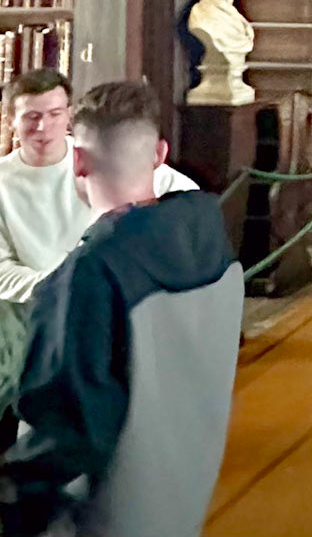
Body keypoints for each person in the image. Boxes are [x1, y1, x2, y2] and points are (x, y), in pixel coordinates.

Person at [0, 79, 242, 537]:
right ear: (159, 154)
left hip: (103, 513)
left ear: (77, 159)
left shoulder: (90, 275)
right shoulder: (210, 236)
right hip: (185, 489)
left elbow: (66, 435)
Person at [0, 69, 196, 408]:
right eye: (31, 117)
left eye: (54, 114)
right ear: (10, 121)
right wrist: (65, 289)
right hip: (35, 309)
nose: (43, 127)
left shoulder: (99, 153)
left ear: (69, 116)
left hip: (107, 303)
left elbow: (181, 191)